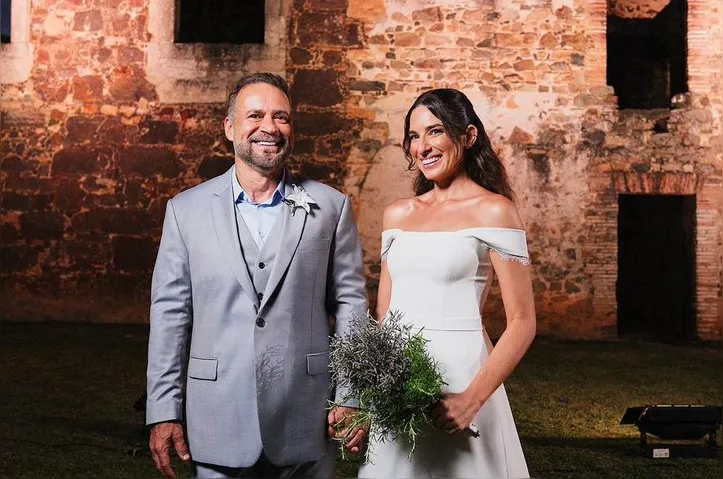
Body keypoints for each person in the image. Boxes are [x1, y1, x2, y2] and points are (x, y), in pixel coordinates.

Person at [146, 73, 368, 479]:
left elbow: (352, 305)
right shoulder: (185, 211)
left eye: (281, 117)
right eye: (255, 115)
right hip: (216, 415)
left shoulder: (331, 207)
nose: (269, 127)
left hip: (307, 415)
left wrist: (351, 395)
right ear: (230, 128)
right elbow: (170, 315)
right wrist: (163, 410)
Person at [358, 88, 536, 478]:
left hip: (463, 378)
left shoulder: (496, 211)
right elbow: (385, 313)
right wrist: (374, 397)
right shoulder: (397, 215)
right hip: (401, 381)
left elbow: (523, 322)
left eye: (435, 132)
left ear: (469, 137)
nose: (422, 146)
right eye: (414, 136)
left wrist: (471, 400)